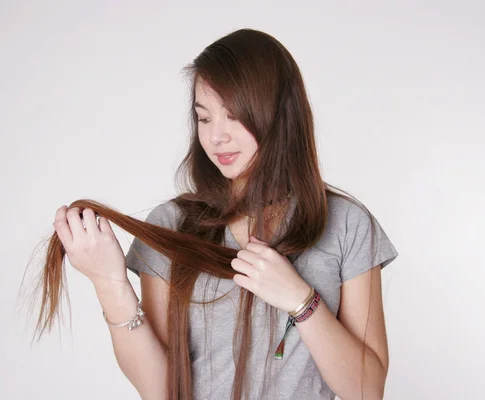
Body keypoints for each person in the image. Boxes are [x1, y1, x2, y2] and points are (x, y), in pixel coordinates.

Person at [48, 28, 398, 400]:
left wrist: (301, 300)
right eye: (204, 118)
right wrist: (109, 283)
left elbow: (367, 390)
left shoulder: (347, 225)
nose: (216, 137)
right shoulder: (172, 225)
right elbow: (162, 391)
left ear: (278, 114)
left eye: (232, 115)